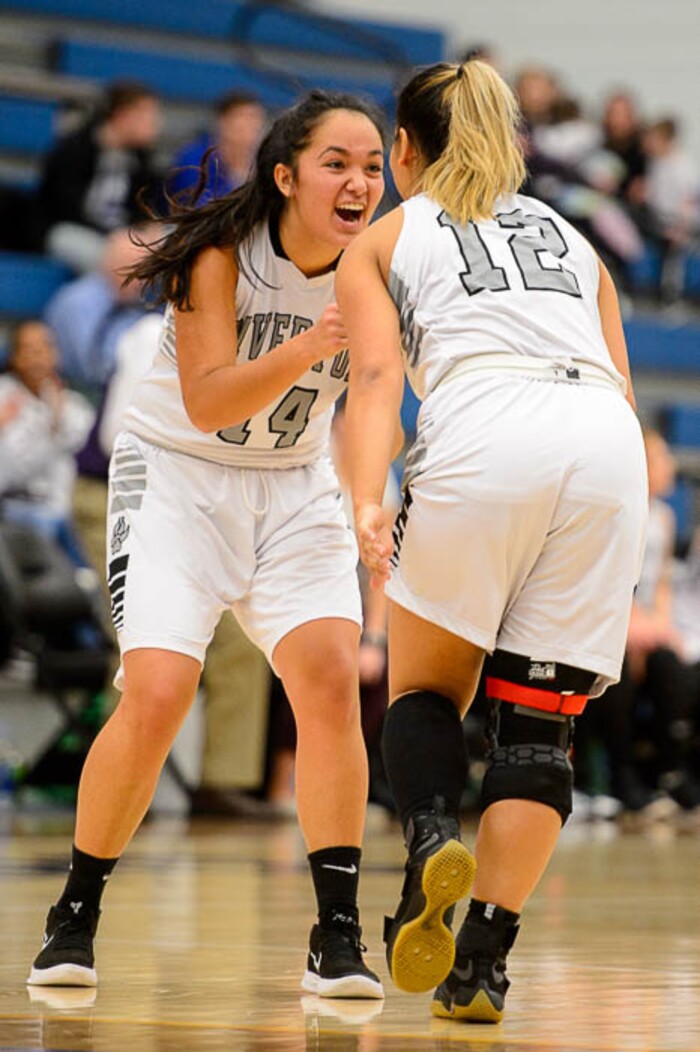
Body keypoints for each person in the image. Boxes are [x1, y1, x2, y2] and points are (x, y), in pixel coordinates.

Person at [26, 88, 387, 1001]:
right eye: (337, 163)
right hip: (177, 477)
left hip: (296, 483)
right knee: (156, 692)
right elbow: (210, 401)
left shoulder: (383, 267)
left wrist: (368, 499)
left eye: (374, 165)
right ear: (285, 174)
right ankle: (75, 912)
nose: (359, 181)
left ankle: (335, 934)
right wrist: (313, 344)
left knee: (330, 680)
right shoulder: (220, 254)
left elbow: (378, 394)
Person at [335, 60, 648, 1022]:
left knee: (426, 686)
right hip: (605, 448)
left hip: (484, 427)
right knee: (538, 726)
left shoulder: (390, 235)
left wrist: (365, 496)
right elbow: (624, 386)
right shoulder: (576, 238)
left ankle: (433, 837)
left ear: (402, 152)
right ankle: (482, 964)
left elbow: (380, 377)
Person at [38, 81, 162, 274]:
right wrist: (117, 237)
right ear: (123, 115)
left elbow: (142, 206)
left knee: (175, 246)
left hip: (122, 236)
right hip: (73, 230)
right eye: (147, 114)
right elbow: (66, 208)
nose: (154, 123)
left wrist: (147, 228)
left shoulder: (142, 158)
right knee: (113, 259)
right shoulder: (74, 149)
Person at [0, 319, 94, 564]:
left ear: (56, 354)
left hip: (66, 512)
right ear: (15, 357)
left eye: (44, 349)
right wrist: (52, 428)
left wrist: (57, 420)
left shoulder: (75, 406)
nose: (37, 358)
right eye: (28, 350)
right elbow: (14, 473)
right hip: (16, 510)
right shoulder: (4, 400)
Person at [168, 91, 267, 205]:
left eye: (254, 119)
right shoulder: (194, 161)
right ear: (223, 122)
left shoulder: (261, 164)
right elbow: (195, 209)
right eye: (242, 118)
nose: (250, 126)